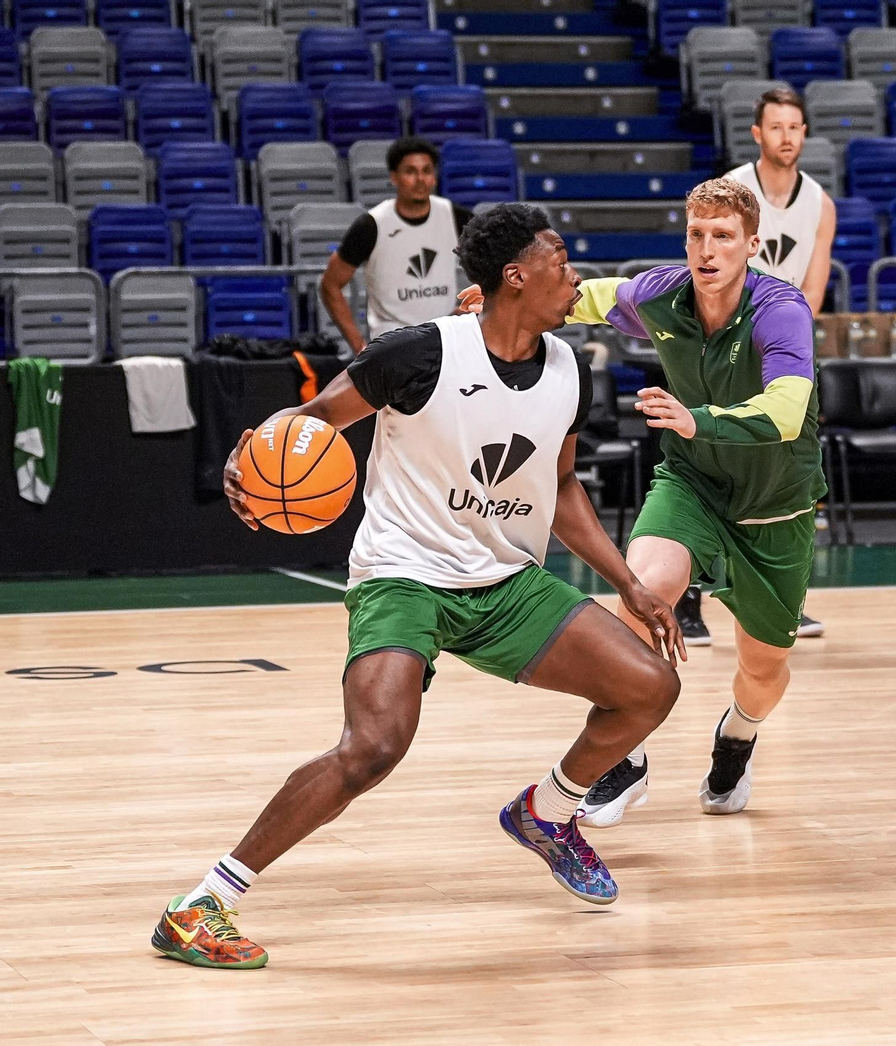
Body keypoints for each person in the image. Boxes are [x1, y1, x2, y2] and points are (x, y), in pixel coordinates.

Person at [151, 204, 685, 970]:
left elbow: (563, 487)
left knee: (649, 688)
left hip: (506, 582)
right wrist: (251, 463)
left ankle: (548, 812)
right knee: (372, 748)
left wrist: (629, 584)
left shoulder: (570, 370)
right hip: (405, 575)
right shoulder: (417, 354)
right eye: (561, 262)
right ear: (515, 276)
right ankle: (203, 902)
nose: (575, 277)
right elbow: (313, 421)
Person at [482, 178, 825, 827]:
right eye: (697, 233)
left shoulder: (781, 309)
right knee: (642, 590)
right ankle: (627, 757)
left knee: (762, 671)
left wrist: (699, 420)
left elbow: (785, 412)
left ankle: (738, 736)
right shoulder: (663, 292)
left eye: (723, 235)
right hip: (692, 485)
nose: (707, 247)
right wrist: (506, 299)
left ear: (752, 245)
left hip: (774, 506)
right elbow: (585, 297)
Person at [669, 86, 835, 647]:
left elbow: (814, 286)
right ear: (758, 134)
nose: (787, 136)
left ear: (804, 134)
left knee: (793, 459)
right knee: (706, 456)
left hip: (782, 343)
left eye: (795, 127)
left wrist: (780, 327)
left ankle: (783, 595)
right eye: (777, 127)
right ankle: (688, 602)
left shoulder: (821, 202)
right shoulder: (734, 193)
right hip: (722, 336)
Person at [320, 136, 476, 355]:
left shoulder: (455, 216)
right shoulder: (372, 224)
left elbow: (496, 262)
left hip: (445, 342)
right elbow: (330, 285)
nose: (420, 179)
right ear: (394, 177)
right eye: (411, 171)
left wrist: (478, 304)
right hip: (392, 347)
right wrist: (359, 346)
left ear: (434, 177)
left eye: (427, 171)